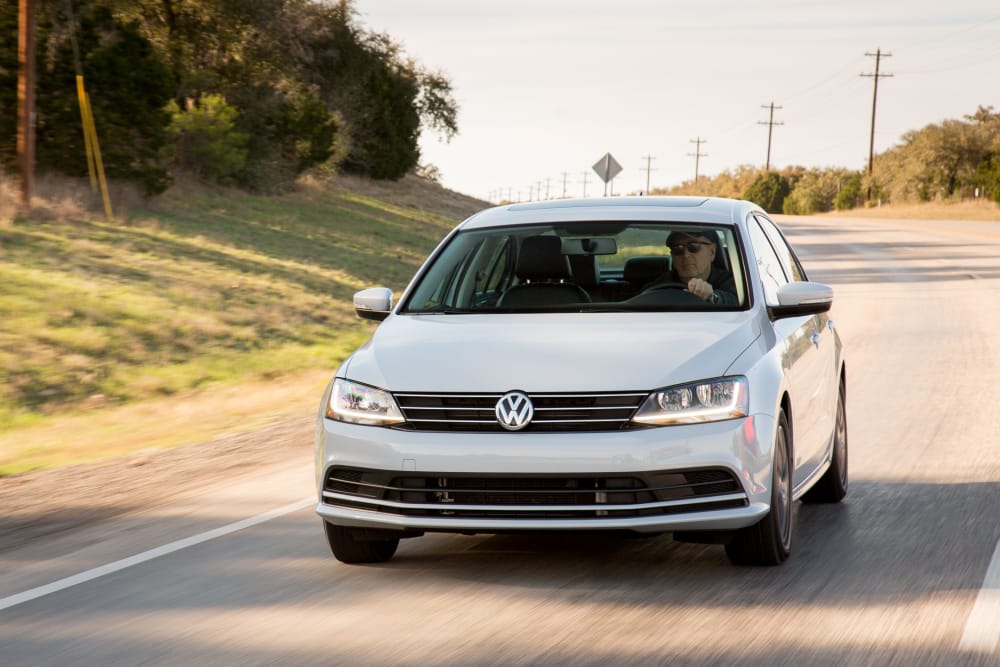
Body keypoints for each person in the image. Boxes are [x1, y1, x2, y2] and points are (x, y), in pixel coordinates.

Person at [644, 230, 738, 305]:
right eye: (678, 249)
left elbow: (738, 302)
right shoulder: (658, 286)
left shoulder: (736, 283)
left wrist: (713, 297)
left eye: (693, 246)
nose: (686, 255)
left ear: (712, 252)